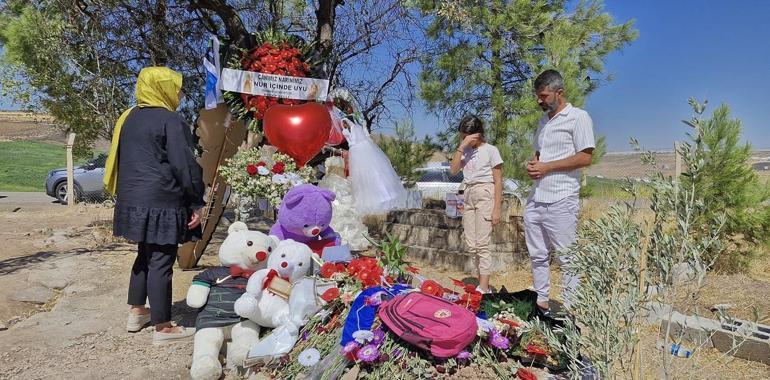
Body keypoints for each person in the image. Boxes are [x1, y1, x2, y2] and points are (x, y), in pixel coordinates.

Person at [104, 67, 204, 344]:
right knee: (161, 258)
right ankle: (163, 326)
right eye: (178, 88)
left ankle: (137, 311)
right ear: (163, 88)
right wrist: (197, 201)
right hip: (162, 200)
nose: (181, 94)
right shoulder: (170, 120)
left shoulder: (128, 118)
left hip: (133, 199)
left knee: (144, 254)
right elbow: (184, 165)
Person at [525, 69, 595, 313]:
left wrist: (547, 167)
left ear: (559, 93)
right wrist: (533, 164)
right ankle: (541, 303)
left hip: (561, 198)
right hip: (536, 197)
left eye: (543, 95)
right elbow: (539, 154)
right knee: (537, 254)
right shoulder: (543, 122)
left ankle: (570, 310)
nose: (539, 100)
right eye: (538, 95)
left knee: (568, 259)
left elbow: (586, 157)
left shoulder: (578, 117)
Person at [449, 115, 503, 293]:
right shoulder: (466, 151)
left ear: (477, 134)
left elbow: (498, 180)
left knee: (482, 243)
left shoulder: (491, 150)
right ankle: (482, 284)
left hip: (485, 193)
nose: (463, 139)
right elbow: (454, 170)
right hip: (468, 193)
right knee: (471, 244)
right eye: (462, 136)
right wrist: (461, 147)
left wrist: (497, 209)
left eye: (466, 136)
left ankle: (484, 287)